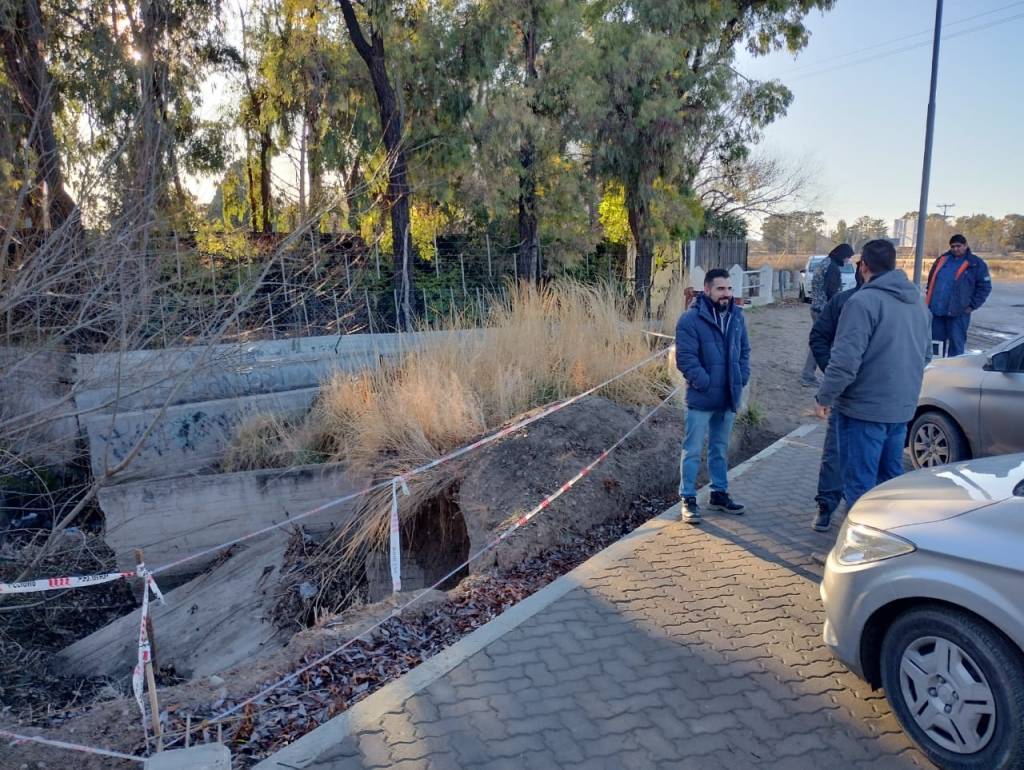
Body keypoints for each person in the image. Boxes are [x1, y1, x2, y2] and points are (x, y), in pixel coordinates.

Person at [814, 240, 931, 516]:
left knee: (860, 487)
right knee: (889, 483)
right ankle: (887, 537)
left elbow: (845, 362)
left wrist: (824, 397)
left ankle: (862, 542)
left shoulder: (862, 302)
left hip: (863, 412)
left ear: (863, 266)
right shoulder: (918, 303)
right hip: (901, 410)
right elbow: (925, 356)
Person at [674, 268, 751, 524]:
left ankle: (719, 493)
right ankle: (688, 498)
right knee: (692, 450)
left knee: (719, 448)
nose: (726, 294)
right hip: (701, 398)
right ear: (707, 290)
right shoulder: (690, 320)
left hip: (728, 395)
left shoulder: (737, 317)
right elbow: (686, 359)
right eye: (720, 289)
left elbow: (744, 351)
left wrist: (741, 377)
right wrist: (705, 383)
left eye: (729, 288)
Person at [807, 263, 864, 531]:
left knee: (876, 462)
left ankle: (868, 517)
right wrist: (830, 370)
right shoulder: (843, 302)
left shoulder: (904, 304)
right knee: (835, 453)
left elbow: (921, 351)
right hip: (845, 394)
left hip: (883, 400)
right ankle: (826, 506)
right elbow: (819, 336)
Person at [925, 234, 991, 357]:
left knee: (956, 345)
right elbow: (931, 281)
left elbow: (985, 287)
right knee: (935, 345)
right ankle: (935, 367)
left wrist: (972, 306)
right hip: (937, 311)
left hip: (958, 313)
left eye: (958, 246)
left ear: (965, 246)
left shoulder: (975, 263)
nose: (955, 249)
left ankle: (953, 368)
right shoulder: (942, 260)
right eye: (953, 246)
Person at [801, 243, 854, 386]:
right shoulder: (832, 268)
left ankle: (809, 374)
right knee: (823, 343)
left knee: (819, 341)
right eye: (848, 257)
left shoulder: (825, 262)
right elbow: (832, 294)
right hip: (824, 311)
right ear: (842, 255)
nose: (848, 260)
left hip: (816, 307)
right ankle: (809, 375)